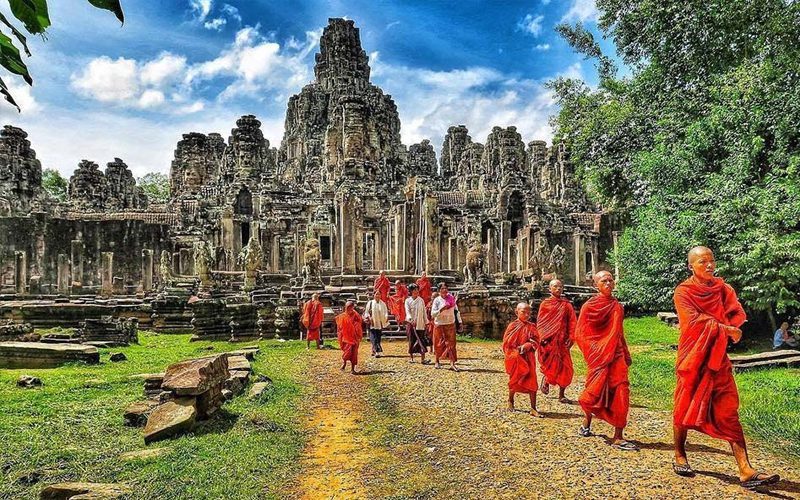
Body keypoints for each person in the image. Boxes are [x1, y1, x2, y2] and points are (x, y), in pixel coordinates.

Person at [673, 246, 779, 488]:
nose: (709, 266)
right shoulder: (683, 292)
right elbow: (692, 322)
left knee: (728, 409)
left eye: (712, 261)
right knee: (685, 404)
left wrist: (729, 326)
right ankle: (679, 453)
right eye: (702, 262)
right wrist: (724, 329)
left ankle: (745, 469)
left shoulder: (723, 288)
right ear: (691, 266)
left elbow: (737, 312)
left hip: (717, 357)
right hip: (693, 358)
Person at [575, 270, 638, 451]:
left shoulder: (617, 306)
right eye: (604, 281)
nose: (609, 284)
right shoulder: (589, 307)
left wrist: (625, 353)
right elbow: (580, 333)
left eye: (611, 280)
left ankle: (618, 436)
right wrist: (595, 351)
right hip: (598, 357)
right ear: (596, 285)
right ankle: (587, 422)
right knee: (593, 392)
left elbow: (618, 332)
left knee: (621, 392)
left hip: (616, 356)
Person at [536, 279, 576, 403]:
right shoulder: (545, 304)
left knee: (566, 368)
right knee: (550, 365)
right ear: (550, 289)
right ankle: (547, 379)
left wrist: (571, 336)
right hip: (548, 341)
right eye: (555, 287)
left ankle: (562, 395)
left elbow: (573, 322)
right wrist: (542, 337)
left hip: (562, 341)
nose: (558, 289)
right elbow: (541, 322)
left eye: (560, 286)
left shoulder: (566, 305)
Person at [503, 302, 543, 417]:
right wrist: (516, 351)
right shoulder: (512, 326)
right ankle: (510, 400)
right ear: (517, 312)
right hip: (516, 358)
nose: (526, 315)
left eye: (528, 313)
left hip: (528, 357)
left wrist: (528, 346)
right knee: (515, 379)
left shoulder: (531, 326)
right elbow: (506, 343)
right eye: (523, 312)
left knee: (532, 380)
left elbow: (536, 340)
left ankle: (533, 408)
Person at [431, 282, 459, 371]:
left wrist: (460, 322)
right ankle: (437, 361)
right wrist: (441, 309)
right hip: (439, 324)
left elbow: (456, 311)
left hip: (450, 323)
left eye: (446, 288)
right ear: (439, 290)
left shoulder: (451, 299)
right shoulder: (437, 300)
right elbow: (433, 314)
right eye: (442, 288)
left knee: (451, 344)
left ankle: (452, 363)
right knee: (438, 343)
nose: (444, 290)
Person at [335, 300, 362, 374]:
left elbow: (359, 323)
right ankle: (344, 363)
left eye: (350, 307)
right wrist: (340, 335)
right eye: (347, 307)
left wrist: (355, 328)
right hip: (345, 337)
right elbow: (339, 327)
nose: (348, 309)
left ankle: (352, 369)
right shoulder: (342, 316)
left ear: (353, 307)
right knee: (347, 352)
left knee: (354, 353)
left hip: (354, 337)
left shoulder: (356, 315)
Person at [405, 284, 429, 364]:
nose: (416, 291)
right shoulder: (408, 301)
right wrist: (411, 320)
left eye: (417, 289)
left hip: (420, 323)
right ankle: (411, 358)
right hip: (411, 324)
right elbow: (407, 311)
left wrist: (426, 322)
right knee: (412, 340)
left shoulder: (421, 300)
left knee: (421, 340)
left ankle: (423, 359)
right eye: (414, 290)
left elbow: (424, 312)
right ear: (411, 291)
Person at [363, 291, 389, 357]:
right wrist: (369, 317)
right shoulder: (370, 303)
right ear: (374, 295)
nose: (378, 295)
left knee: (378, 337)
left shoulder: (383, 304)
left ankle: (374, 350)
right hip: (372, 322)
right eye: (376, 294)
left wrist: (386, 317)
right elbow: (367, 312)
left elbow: (386, 312)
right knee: (373, 337)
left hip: (379, 323)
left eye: (379, 294)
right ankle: (378, 351)